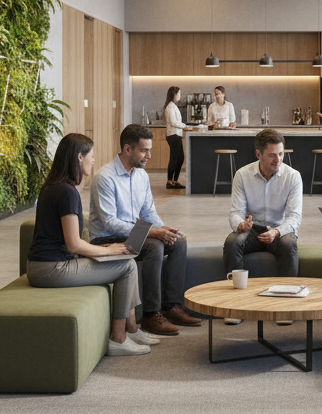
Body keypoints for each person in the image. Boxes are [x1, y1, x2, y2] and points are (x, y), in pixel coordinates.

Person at [27, 133, 156, 356]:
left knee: (124, 259)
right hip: (52, 270)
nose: (94, 160)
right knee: (126, 266)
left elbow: (67, 242)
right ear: (79, 157)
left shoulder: (54, 187)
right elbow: (74, 245)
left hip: (42, 266)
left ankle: (131, 328)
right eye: (91, 156)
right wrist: (110, 250)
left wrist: (105, 251)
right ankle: (119, 338)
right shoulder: (68, 193)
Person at [89, 124, 203, 335]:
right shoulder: (105, 178)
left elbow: (148, 212)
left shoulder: (141, 175)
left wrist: (164, 230)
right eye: (144, 150)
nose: (149, 155)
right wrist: (152, 233)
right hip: (105, 240)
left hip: (130, 235)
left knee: (178, 242)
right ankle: (151, 314)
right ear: (127, 149)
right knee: (153, 246)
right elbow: (110, 223)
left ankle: (172, 306)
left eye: (149, 149)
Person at [223, 128, 304, 325]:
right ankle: (235, 305)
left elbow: (294, 217)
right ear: (258, 154)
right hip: (252, 229)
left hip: (279, 229)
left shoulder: (293, 176)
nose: (278, 160)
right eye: (272, 156)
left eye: (281, 154)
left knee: (288, 243)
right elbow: (235, 212)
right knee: (233, 241)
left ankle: (285, 307)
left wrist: (277, 231)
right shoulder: (242, 175)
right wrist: (240, 225)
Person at [163, 86, 187, 190]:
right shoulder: (170, 107)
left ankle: (175, 180)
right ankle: (170, 181)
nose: (180, 96)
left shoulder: (173, 106)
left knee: (179, 158)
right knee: (175, 158)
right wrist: (185, 126)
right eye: (179, 94)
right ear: (174, 94)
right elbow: (173, 122)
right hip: (173, 135)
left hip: (176, 135)